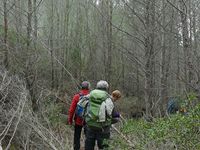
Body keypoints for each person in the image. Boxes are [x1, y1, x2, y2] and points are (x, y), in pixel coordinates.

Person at [85, 80, 119, 150]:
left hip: (90, 126)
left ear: (97, 87)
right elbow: (115, 116)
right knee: (103, 147)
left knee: (89, 146)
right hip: (103, 129)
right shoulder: (108, 98)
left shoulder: (90, 95)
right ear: (106, 88)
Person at [68, 81, 90, 150]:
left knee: (76, 137)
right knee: (88, 138)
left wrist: (70, 120)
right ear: (88, 88)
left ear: (81, 87)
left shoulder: (77, 96)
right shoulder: (91, 97)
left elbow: (71, 110)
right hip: (88, 121)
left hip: (78, 120)